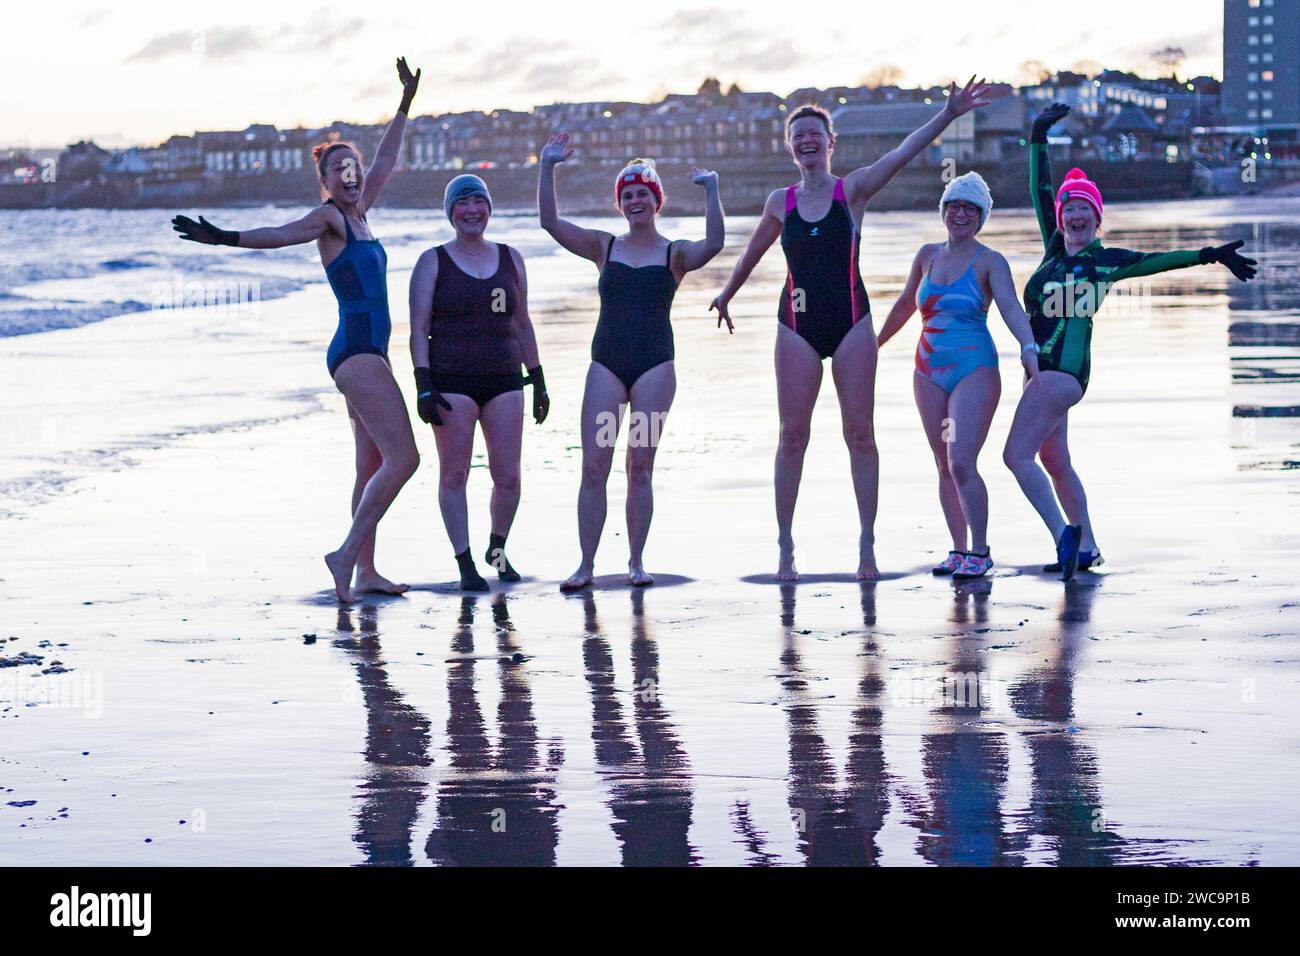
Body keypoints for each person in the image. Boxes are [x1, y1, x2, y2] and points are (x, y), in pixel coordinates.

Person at [710, 78, 991, 581]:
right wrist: (727, 293)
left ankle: (867, 545)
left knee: (860, 435)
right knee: (792, 437)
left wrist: (948, 115)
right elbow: (751, 253)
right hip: (795, 324)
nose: (806, 142)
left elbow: (903, 152)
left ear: (829, 142)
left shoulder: (853, 189)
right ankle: (786, 548)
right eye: (798, 136)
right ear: (790, 146)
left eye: (815, 133)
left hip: (853, 322)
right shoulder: (780, 201)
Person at [172, 58, 423, 603]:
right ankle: (345, 555)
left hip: (371, 354)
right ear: (326, 181)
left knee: (372, 464)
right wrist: (223, 238)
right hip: (355, 354)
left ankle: (367, 572)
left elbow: (387, 157)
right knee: (405, 459)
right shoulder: (331, 219)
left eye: (352, 163)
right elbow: (280, 233)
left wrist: (404, 102)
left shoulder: (363, 213)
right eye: (339, 168)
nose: (351, 172)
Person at [1003, 103, 1258, 580]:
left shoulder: (1106, 261)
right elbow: (1040, 190)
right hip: (1040, 375)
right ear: (1061, 219)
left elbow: (1159, 260)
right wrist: (1038, 137)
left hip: (1063, 376)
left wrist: (1210, 254)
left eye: (1085, 209)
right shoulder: (1053, 252)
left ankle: (1063, 536)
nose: (1076, 214)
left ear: (1097, 220)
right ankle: (1088, 547)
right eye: (1070, 208)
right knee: (1053, 460)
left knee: (1014, 456)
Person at [538, 133, 724, 590]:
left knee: (640, 466)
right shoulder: (605, 247)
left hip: (655, 369)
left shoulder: (674, 253)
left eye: (643, 193)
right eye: (628, 195)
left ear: (656, 201)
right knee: (594, 468)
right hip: (607, 365)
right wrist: (547, 167)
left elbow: (715, 243)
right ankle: (585, 565)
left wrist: (712, 190)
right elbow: (550, 223)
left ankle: (636, 562)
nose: (636, 200)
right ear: (620, 203)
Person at [877, 171, 1039, 579]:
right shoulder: (926, 255)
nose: (960, 213)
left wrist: (1028, 346)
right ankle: (958, 550)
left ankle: (981, 552)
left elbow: (1010, 307)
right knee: (943, 463)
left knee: (961, 459)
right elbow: (903, 306)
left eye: (970, 208)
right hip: (927, 371)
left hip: (974, 371)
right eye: (954, 205)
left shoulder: (990, 261)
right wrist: (871, 346)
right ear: (943, 210)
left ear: (981, 216)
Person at [408, 174, 548, 591]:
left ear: (489, 208)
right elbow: (417, 331)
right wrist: (423, 385)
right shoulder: (432, 261)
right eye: (463, 203)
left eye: (479, 202)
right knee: (455, 475)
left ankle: (498, 549)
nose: (472, 210)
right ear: (451, 212)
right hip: (450, 382)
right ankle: (465, 562)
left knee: (509, 477)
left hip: (505, 379)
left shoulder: (511, 257)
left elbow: (521, 323)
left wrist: (537, 379)